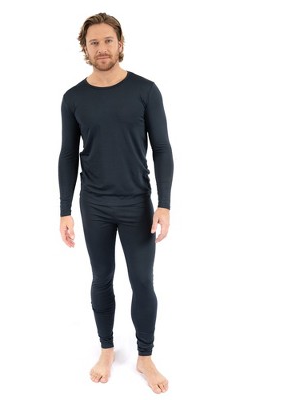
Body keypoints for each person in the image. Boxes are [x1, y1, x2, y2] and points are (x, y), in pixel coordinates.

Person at [58, 12, 173, 394]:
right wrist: (64, 209)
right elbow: (67, 155)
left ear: (120, 44)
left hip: (137, 203)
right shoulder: (74, 98)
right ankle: (106, 349)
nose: (102, 48)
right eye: (94, 42)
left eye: (108, 40)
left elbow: (162, 148)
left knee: (142, 281)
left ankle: (145, 356)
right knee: (102, 278)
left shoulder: (145, 90)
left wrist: (164, 203)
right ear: (85, 49)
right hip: (94, 205)